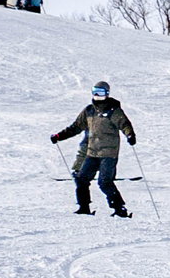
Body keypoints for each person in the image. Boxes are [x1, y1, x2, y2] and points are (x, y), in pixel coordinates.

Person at [51, 81, 137, 217]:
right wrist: (59, 136)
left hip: (109, 153)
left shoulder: (113, 110)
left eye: (101, 92)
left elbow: (124, 124)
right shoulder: (89, 111)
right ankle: (84, 207)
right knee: (81, 179)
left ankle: (120, 209)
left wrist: (130, 135)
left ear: (107, 94)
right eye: (95, 91)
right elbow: (76, 127)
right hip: (92, 152)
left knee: (104, 182)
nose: (97, 95)